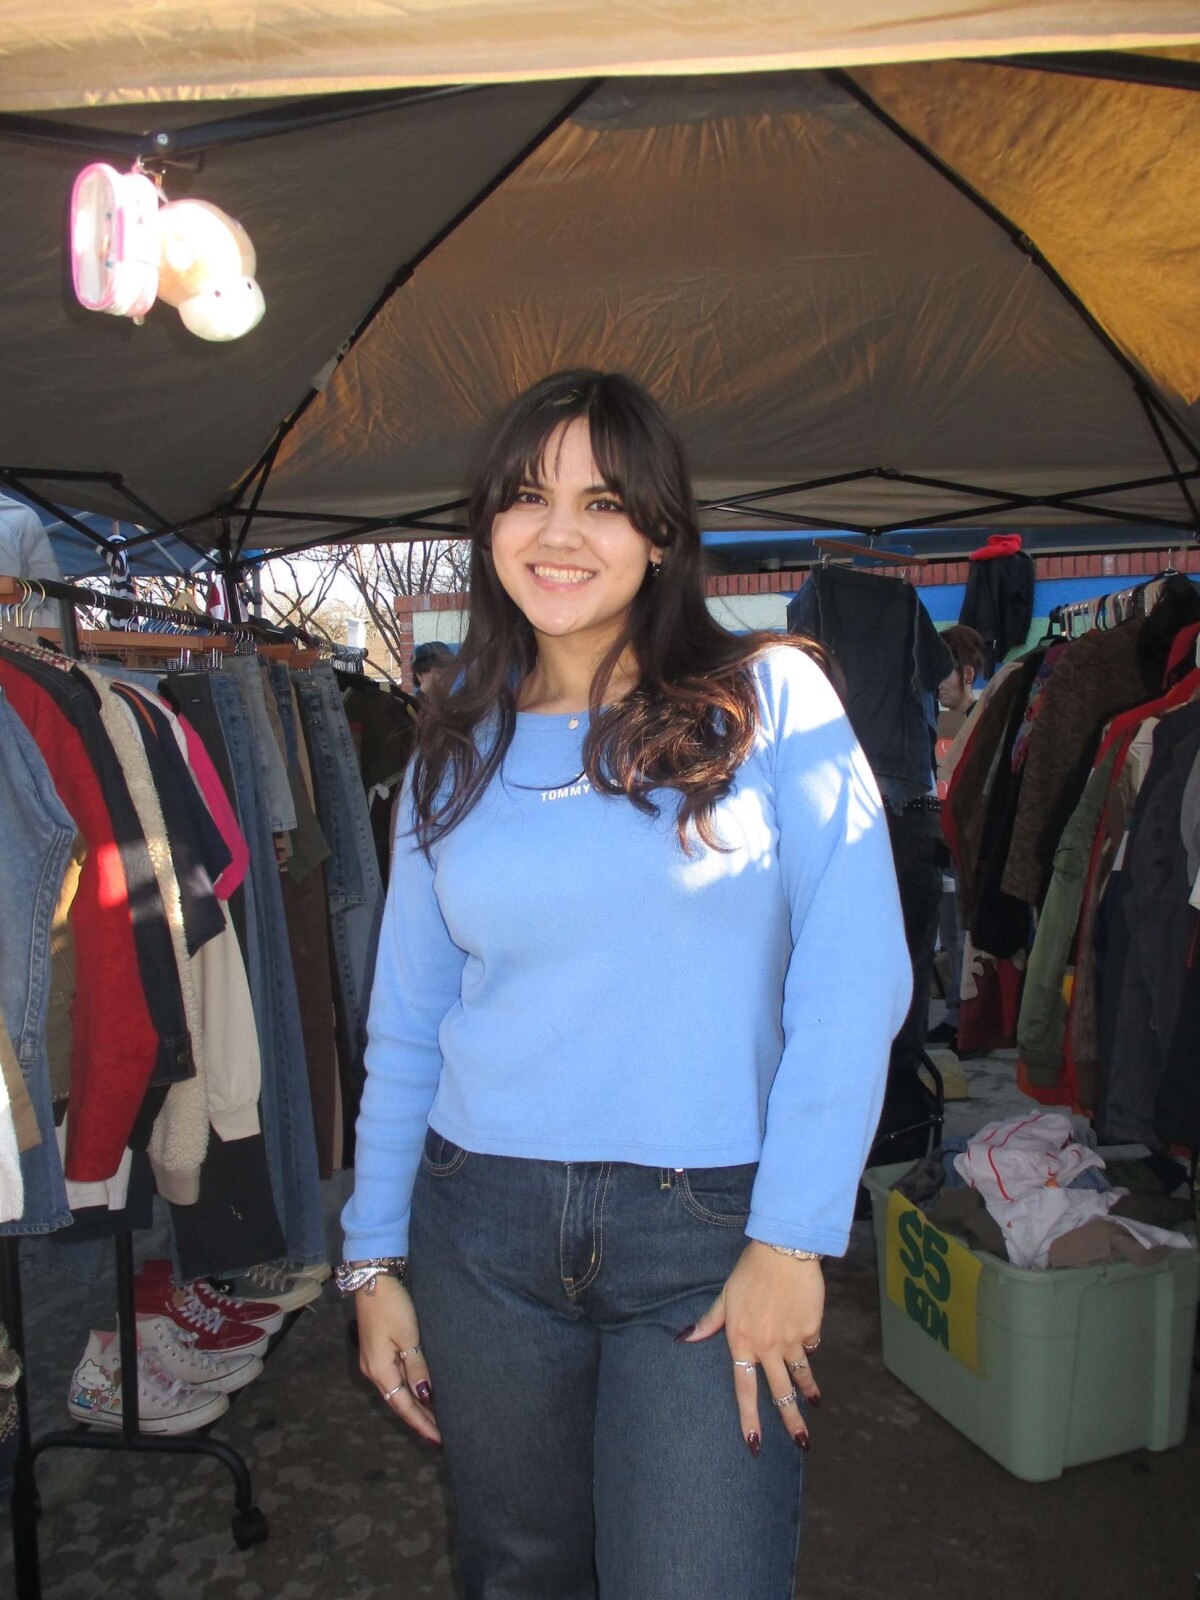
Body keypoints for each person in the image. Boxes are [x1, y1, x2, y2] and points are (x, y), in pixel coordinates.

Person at [338, 370, 910, 1600]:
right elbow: (409, 1023)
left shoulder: (770, 700)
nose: (558, 534)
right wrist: (371, 1258)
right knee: (519, 1573)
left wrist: (794, 1231)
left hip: (707, 1232)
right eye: (526, 497)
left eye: (602, 502)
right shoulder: (452, 744)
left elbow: (856, 973)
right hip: (479, 1228)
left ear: (660, 533)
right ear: (488, 524)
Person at [928, 623, 986, 1051]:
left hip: (973, 845)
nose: (937, 684)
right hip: (942, 842)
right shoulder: (931, 721)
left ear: (966, 674)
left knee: (972, 938)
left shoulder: (985, 721)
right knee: (951, 936)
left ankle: (974, 1023)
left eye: (943, 673)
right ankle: (955, 1016)